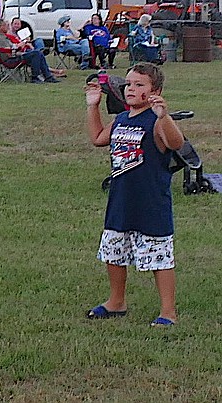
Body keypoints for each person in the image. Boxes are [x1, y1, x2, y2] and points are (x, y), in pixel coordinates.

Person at [85, 63, 185, 327]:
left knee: (159, 257)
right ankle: (116, 302)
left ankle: (168, 312)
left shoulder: (155, 121)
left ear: (155, 91)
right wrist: (93, 105)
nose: (131, 89)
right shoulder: (121, 119)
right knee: (114, 252)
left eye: (139, 85)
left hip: (151, 202)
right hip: (121, 200)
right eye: (129, 84)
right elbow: (97, 137)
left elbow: (177, 144)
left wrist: (164, 116)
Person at [0, 19, 60, 83]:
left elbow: (11, 48)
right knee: (36, 54)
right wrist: (19, 46)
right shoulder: (0, 39)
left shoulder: (4, 37)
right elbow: (8, 52)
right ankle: (36, 77)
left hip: (15, 56)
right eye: (5, 25)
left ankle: (47, 76)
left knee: (38, 53)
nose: (7, 26)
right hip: (10, 60)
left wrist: (20, 47)